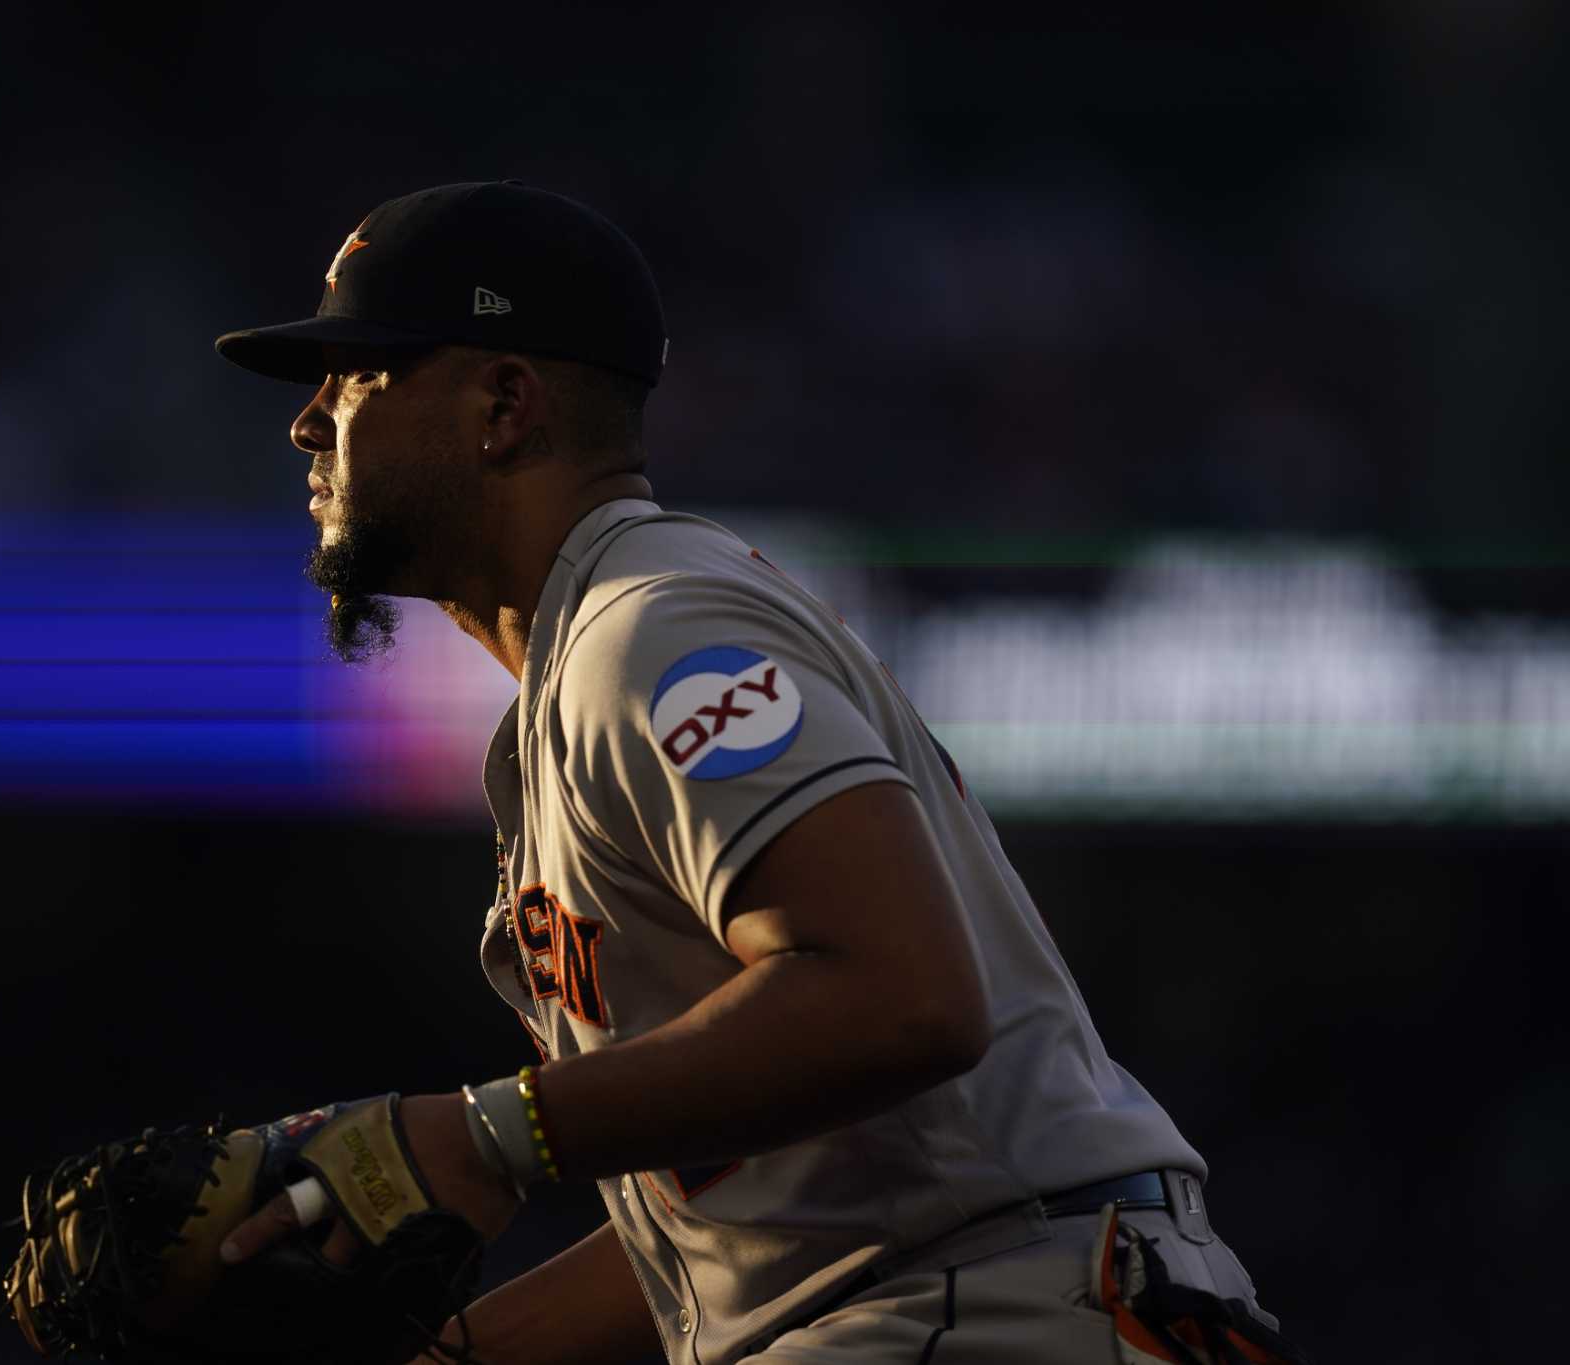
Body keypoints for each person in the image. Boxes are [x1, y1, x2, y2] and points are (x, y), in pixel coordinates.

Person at [210, 181, 1290, 1364]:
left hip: (985, 1304)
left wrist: (482, 1137)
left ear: (503, 403)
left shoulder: (649, 629)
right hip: (969, 1294)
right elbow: (752, 1224)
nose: (309, 422)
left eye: (359, 375)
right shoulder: (590, 661)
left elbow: (902, 997)